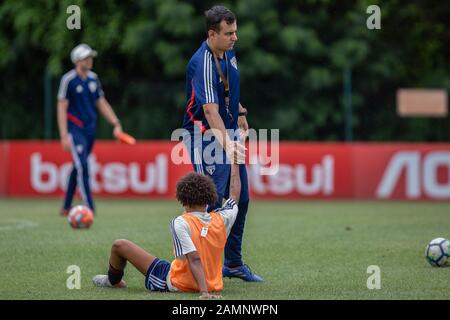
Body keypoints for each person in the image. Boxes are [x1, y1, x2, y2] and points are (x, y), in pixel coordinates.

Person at [181, 5, 263, 282]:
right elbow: (209, 111)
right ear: (211, 33)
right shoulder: (202, 61)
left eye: (235, 32)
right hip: (204, 135)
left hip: (224, 130)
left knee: (243, 199)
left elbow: (226, 89)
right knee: (213, 202)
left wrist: (239, 112)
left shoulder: (227, 51)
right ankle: (204, 270)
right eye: (228, 33)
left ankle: (234, 265)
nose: (235, 37)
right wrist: (229, 145)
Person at [92, 162, 242, 298]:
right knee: (170, 263)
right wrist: (235, 163)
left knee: (119, 245)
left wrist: (204, 292)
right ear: (210, 197)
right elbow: (234, 194)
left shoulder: (181, 222)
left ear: (183, 200)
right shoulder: (222, 219)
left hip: (177, 283)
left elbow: (194, 258)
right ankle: (114, 280)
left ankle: (113, 281)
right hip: (213, 284)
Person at [57, 44, 123, 216]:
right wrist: (64, 135)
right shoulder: (68, 80)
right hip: (75, 129)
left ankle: (66, 206)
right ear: (78, 60)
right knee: (83, 166)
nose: (90, 60)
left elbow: (101, 103)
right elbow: (61, 107)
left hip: (90, 130)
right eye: (87, 58)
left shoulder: (94, 79)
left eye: (91, 57)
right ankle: (89, 209)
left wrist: (115, 122)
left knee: (77, 166)